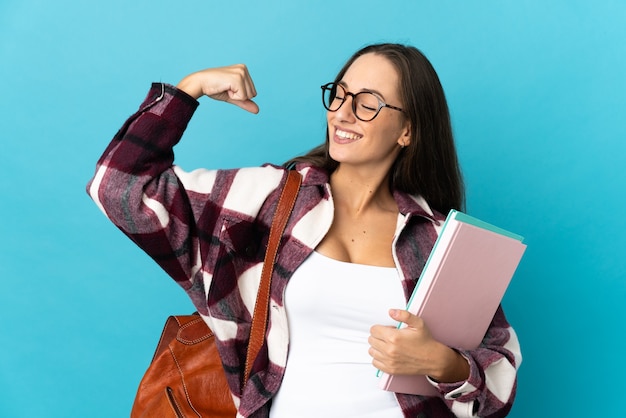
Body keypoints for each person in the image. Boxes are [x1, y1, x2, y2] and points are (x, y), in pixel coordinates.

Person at [87, 43, 521, 417]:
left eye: (367, 102)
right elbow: (119, 188)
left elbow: (498, 385)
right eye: (340, 95)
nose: (343, 113)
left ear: (407, 130)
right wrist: (188, 90)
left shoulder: (440, 241)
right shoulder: (268, 200)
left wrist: (444, 364)